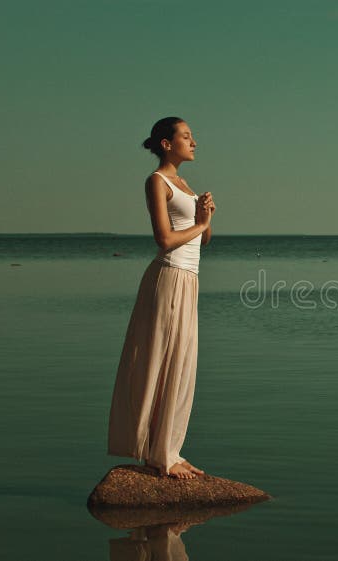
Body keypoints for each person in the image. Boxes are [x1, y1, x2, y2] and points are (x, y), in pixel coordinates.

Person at [107, 117, 216, 479]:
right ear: (167, 144)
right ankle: (158, 454)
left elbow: (202, 240)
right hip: (168, 277)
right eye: (186, 136)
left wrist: (206, 218)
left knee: (183, 365)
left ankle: (170, 450)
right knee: (161, 360)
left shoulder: (185, 185)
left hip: (189, 279)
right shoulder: (157, 181)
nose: (194, 142)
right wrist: (198, 226)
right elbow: (165, 239)